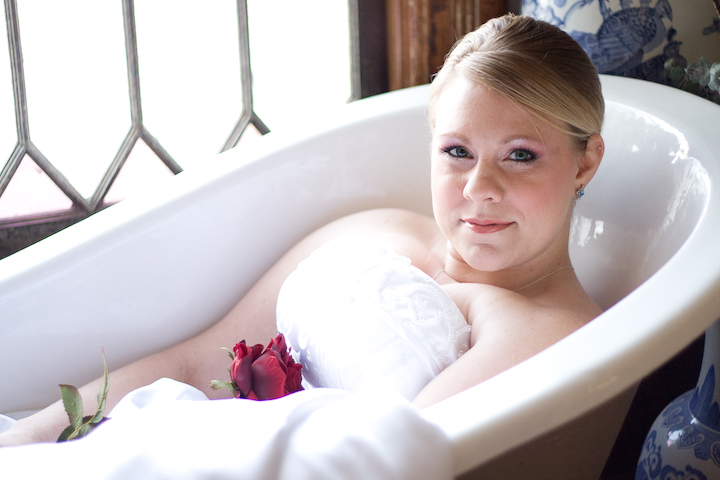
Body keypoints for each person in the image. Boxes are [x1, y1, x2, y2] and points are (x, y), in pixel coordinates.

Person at [0, 13, 604, 447]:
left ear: (585, 162)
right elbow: (191, 365)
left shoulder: (547, 333)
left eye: (520, 155)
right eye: (456, 151)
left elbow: (390, 464)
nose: (478, 187)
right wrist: (26, 442)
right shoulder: (382, 231)